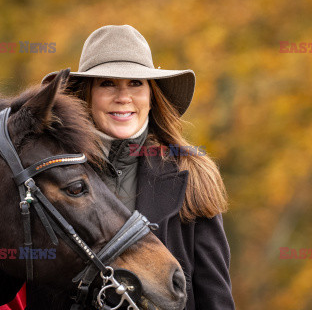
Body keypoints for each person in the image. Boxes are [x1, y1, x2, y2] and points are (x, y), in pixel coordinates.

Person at [41, 24, 236, 310]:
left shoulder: (193, 174)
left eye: (136, 83)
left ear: (151, 95)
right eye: (107, 83)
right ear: (87, 94)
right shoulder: (52, 176)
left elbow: (215, 296)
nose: (123, 97)